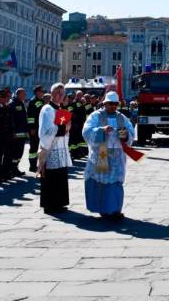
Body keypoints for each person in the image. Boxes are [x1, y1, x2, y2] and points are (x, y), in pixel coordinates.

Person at [82, 91, 134, 221]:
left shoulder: (122, 117)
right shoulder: (96, 116)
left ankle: (115, 210)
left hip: (117, 155)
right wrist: (101, 130)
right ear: (104, 103)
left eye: (115, 104)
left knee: (116, 182)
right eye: (110, 103)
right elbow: (87, 131)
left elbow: (130, 133)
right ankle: (104, 210)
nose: (113, 106)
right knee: (102, 182)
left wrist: (125, 134)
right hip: (102, 152)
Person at [36, 83, 72, 214]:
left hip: (60, 147)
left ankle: (59, 202)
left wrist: (67, 129)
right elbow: (46, 131)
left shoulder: (61, 110)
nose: (59, 95)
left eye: (62, 93)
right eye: (57, 92)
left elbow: (63, 128)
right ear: (51, 94)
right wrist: (65, 128)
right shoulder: (47, 109)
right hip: (50, 149)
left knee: (60, 175)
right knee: (51, 176)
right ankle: (50, 204)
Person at [8, 88, 29, 179]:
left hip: (22, 133)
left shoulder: (21, 103)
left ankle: (15, 168)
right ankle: (12, 169)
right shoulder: (13, 103)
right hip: (16, 134)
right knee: (15, 153)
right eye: (23, 94)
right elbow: (12, 119)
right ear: (18, 94)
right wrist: (13, 131)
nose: (25, 96)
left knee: (19, 153)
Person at [27, 85, 46, 173]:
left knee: (40, 147)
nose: (43, 93)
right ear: (37, 92)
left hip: (41, 128)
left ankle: (39, 164)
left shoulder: (42, 101)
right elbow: (30, 116)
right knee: (33, 148)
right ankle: (32, 165)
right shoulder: (33, 101)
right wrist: (32, 128)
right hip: (34, 128)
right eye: (41, 91)